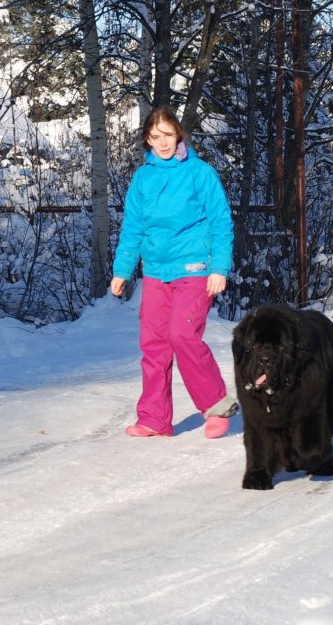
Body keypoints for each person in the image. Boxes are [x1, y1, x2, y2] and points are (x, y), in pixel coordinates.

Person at [111, 105, 238, 439]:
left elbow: (221, 222)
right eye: (155, 136)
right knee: (153, 343)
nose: (162, 143)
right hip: (155, 272)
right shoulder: (143, 177)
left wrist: (219, 267)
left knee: (182, 335)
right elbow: (133, 227)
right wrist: (122, 269)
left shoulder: (200, 173)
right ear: (147, 140)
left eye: (167, 135)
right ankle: (154, 418)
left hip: (195, 269)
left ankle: (217, 405)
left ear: (179, 134)